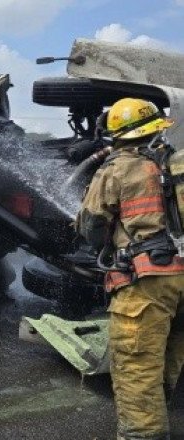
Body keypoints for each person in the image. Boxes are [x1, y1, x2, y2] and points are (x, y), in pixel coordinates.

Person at [76, 97, 184, 440]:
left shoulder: (116, 170)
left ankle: (144, 434)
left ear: (117, 137)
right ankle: (158, 413)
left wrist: (108, 244)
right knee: (170, 354)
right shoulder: (181, 163)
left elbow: (92, 226)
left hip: (148, 283)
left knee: (137, 365)